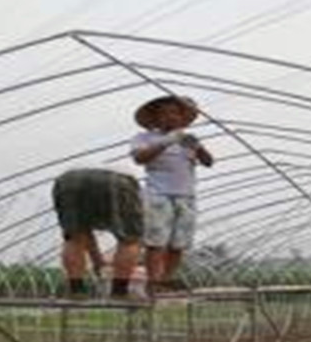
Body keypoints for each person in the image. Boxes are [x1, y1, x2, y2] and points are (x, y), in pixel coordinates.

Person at [129, 95, 214, 294]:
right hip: (158, 194)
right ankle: (153, 281)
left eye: (175, 113)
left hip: (186, 196)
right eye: (164, 113)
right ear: (155, 118)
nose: (170, 117)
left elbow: (209, 162)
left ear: (182, 118)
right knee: (156, 241)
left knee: (179, 243)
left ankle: (167, 279)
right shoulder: (145, 138)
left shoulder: (187, 141)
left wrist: (198, 147)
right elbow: (140, 158)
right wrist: (166, 142)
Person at [51, 167, 144, 299]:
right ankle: (119, 292)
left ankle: (76, 290)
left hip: (68, 181)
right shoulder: (136, 193)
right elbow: (132, 239)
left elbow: (86, 235)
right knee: (130, 239)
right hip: (117, 182)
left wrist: (98, 261)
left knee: (74, 237)